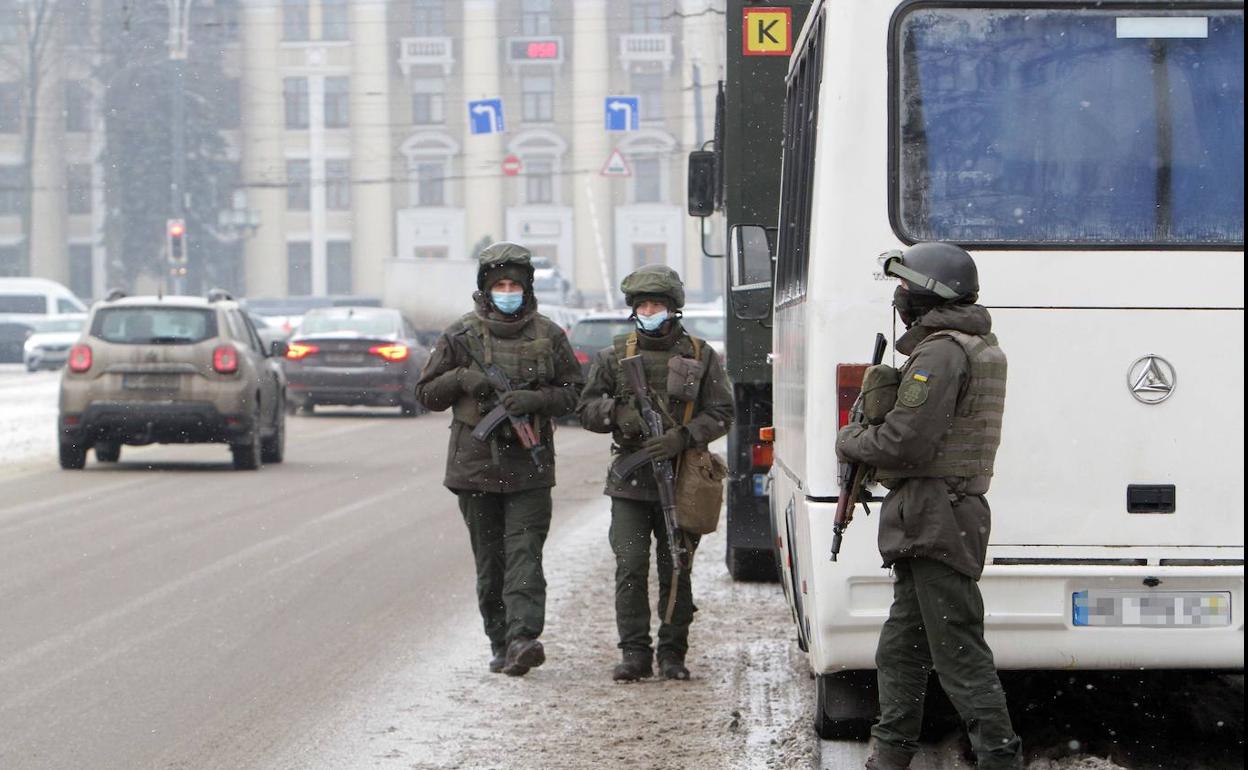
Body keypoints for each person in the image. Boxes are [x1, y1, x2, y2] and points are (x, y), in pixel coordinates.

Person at [836, 242, 1022, 769]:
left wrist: (849, 440)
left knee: (959, 654)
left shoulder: (941, 351)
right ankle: (890, 756)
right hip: (933, 513)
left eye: (904, 285)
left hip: (939, 514)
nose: (898, 296)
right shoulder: (964, 344)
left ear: (927, 292)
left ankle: (1000, 759)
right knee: (901, 650)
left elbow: (903, 444)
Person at [415, 242, 584, 676]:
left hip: (529, 464)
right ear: (486, 291)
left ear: (526, 289)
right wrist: (460, 378)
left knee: (525, 555)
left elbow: (575, 394)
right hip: (475, 467)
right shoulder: (460, 335)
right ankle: (499, 640)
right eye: (500, 285)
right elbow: (426, 395)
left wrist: (537, 397)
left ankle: (524, 638)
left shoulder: (548, 335)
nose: (507, 291)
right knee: (491, 562)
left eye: (514, 285)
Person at [576, 265, 733, 681]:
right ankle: (634, 653)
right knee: (630, 565)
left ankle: (672, 653)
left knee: (677, 566)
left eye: (657, 304)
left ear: (673, 308)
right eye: (643, 304)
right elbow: (585, 409)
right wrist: (618, 413)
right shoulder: (614, 357)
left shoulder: (700, 355)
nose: (649, 310)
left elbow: (723, 412)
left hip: (682, 481)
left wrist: (684, 437)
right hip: (630, 482)